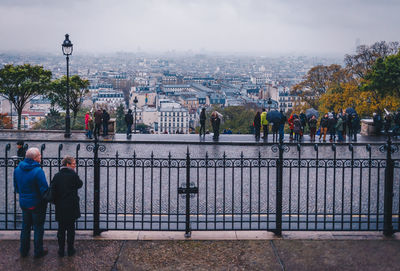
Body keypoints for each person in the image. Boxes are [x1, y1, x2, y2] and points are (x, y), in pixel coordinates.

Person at [13, 147, 48, 258]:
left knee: (25, 227)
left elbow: (16, 188)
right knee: (38, 228)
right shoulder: (38, 171)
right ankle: (38, 251)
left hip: (24, 203)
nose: (41, 157)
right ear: (35, 158)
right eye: (39, 156)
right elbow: (44, 190)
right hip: (37, 204)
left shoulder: (17, 169)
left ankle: (24, 250)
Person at [51, 156, 83, 257]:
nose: (75, 166)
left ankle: (61, 250)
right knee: (70, 229)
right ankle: (70, 249)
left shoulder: (57, 176)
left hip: (60, 205)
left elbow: (53, 189)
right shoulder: (73, 175)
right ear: (68, 164)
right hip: (71, 206)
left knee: (61, 229)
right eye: (73, 164)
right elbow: (79, 184)